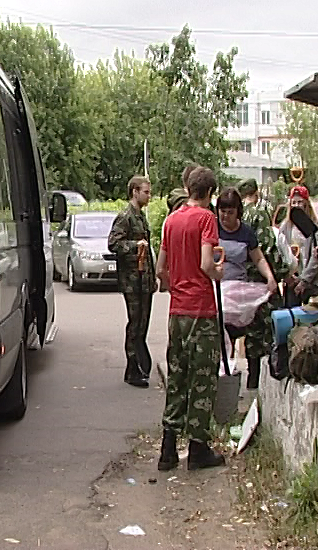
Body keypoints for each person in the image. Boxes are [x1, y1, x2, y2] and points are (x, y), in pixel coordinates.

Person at [155, 166, 226, 472]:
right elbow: (206, 263)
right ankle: (198, 449)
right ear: (210, 193)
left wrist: (178, 285)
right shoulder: (206, 218)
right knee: (202, 379)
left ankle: (168, 450)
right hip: (201, 310)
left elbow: (161, 269)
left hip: (177, 312)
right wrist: (218, 273)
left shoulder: (171, 220)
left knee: (177, 376)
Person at [216, 187, 278, 390]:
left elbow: (258, 257)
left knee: (253, 328)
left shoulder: (246, 233)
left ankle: (253, 378)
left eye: (230, 212)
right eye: (222, 211)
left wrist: (270, 277)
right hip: (218, 288)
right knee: (222, 332)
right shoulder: (213, 229)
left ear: (238, 212)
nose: (225, 217)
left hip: (239, 289)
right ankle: (225, 375)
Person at [108, 176, 158, 388]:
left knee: (143, 324)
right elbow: (113, 244)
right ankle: (133, 366)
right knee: (135, 324)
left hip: (143, 280)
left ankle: (139, 365)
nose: (149, 196)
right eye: (145, 192)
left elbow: (147, 252)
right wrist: (134, 245)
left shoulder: (140, 217)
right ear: (134, 192)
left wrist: (153, 277)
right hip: (132, 281)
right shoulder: (125, 217)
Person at [278, 185, 318, 307]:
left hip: (311, 282)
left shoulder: (315, 227)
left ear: (306, 204)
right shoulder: (285, 227)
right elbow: (281, 252)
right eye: (294, 202)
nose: (297, 205)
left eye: (300, 202)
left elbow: (316, 257)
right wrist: (288, 275)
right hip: (292, 280)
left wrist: (304, 280)